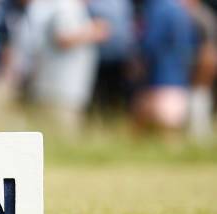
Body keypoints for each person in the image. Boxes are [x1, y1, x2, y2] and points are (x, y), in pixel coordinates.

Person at [21, 0, 109, 127]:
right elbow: (62, 37)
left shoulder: (70, 7)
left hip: (65, 92)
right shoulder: (65, 6)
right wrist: (94, 32)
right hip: (59, 92)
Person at [134, 0, 197, 131]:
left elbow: (150, 45)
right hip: (180, 84)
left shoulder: (159, 8)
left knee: (147, 134)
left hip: (159, 85)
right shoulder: (181, 10)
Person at [88, 0, 134, 112]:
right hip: (99, 59)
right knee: (98, 98)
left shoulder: (123, 3)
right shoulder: (93, 4)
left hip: (120, 59)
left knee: (115, 98)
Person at [187, 0, 217, 139]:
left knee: (200, 97)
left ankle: (200, 134)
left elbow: (208, 48)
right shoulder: (201, 15)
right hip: (202, 63)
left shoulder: (202, 16)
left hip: (203, 64)